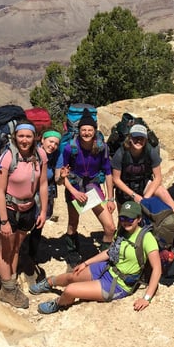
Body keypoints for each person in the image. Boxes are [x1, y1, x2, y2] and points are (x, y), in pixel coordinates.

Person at [28, 200, 161, 314]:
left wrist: (147, 297)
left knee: (71, 290)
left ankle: (58, 303)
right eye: (123, 218)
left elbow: (157, 269)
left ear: (139, 219)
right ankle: (49, 282)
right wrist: (86, 263)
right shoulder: (122, 231)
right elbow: (110, 252)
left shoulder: (147, 238)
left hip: (119, 284)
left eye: (130, 219)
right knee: (73, 275)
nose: (126, 222)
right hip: (109, 268)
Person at [0, 122, 49, 309]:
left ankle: (11, 281)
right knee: (4, 248)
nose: (24, 140)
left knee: (16, 247)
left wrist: (43, 211)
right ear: (15, 137)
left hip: (28, 208)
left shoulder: (40, 155)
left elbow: (42, 185)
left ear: (35, 138)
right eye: (21, 136)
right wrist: (3, 221)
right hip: (7, 209)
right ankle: (8, 289)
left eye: (28, 136)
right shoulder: (7, 157)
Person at [59, 112, 116, 267]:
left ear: (95, 130)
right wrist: (74, 192)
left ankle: (104, 260)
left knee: (110, 227)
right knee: (73, 224)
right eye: (84, 130)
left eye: (90, 130)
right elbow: (63, 175)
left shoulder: (101, 148)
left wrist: (111, 198)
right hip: (75, 189)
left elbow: (108, 173)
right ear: (79, 130)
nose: (86, 133)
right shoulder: (70, 149)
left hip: (93, 189)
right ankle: (72, 256)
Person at [25, 129, 63, 265]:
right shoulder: (32, 153)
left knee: (38, 224)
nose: (53, 145)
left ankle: (31, 256)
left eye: (56, 144)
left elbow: (57, 179)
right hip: (28, 192)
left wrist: (62, 177)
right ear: (42, 140)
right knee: (26, 222)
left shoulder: (57, 155)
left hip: (46, 192)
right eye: (50, 141)